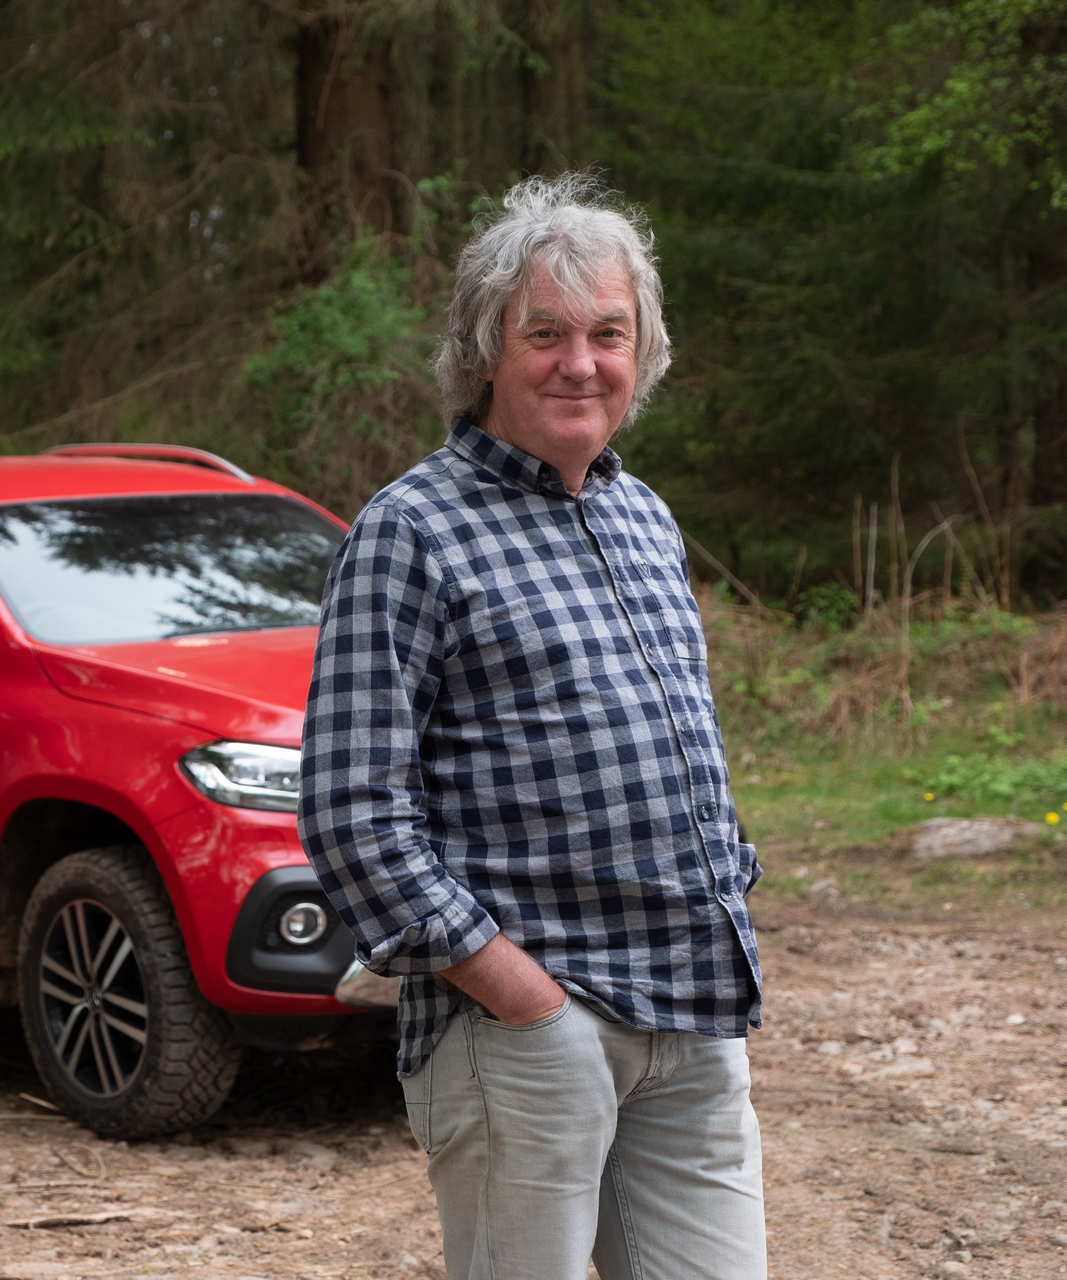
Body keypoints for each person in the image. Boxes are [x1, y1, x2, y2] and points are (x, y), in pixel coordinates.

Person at [298, 172, 765, 1280]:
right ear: (485, 352)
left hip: (691, 1011)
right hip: (527, 1029)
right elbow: (352, 809)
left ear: (642, 352)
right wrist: (522, 996)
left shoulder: (642, 515)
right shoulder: (411, 529)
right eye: (544, 333)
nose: (580, 363)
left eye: (609, 333)